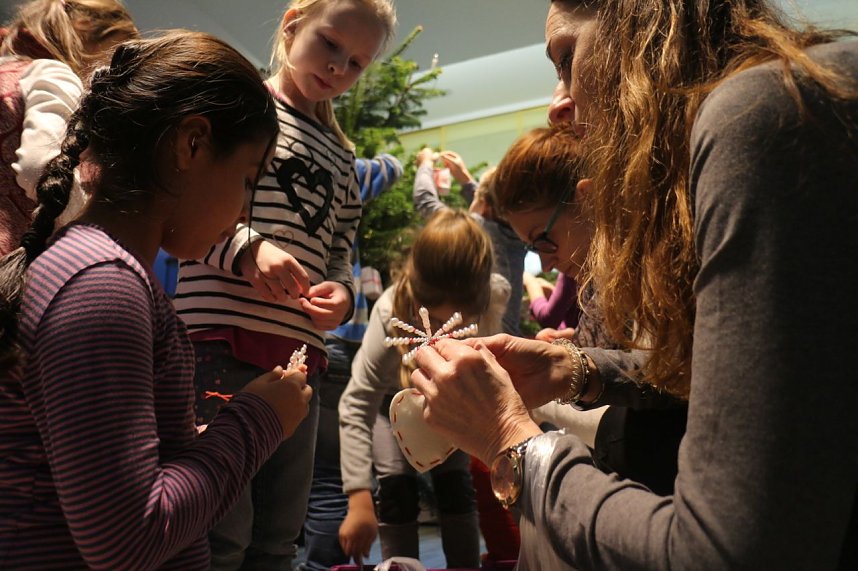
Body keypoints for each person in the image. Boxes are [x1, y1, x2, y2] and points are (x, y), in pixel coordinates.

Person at [411, 0, 858, 569]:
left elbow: (722, 553)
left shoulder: (760, 117)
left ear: (646, 17)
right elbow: (750, 373)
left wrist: (511, 443)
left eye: (567, 58)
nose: (558, 106)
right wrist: (576, 370)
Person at [0, 31, 313, 570]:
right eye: (246, 179)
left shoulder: (90, 272)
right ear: (191, 144)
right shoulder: (102, 287)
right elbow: (129, 541)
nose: (243, 212)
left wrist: (187, 442)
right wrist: (259, 419)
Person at [171, 1, 397, 568]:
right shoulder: (241, 109)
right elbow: (186, 209)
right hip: (217, 344)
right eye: (329, 44)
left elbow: (341, 251)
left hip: (300, 360)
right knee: (221, 526)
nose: (338, 68)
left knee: (279, 532)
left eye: (356, 62)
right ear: (294, 23)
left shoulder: (343, 157)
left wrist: (344, 295)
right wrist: (248, 248)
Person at [338, 209, 510, 567]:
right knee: (396, 490)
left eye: (456, 324)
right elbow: (357, 402)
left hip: (453, 399)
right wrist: (358, 497)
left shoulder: (493, 297)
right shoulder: (389, 313)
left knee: (456, 486)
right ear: (416, 302)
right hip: (393, 403)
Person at [299, 152, 403, 571]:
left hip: (291, 337)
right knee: (327, 475)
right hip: (342, 338)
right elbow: (392, 167)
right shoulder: (345, 172)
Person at [0, 0, 137, 256]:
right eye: (115, 51)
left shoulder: (7, 66)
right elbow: (40, 167)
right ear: (84, 27)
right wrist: (97, 225)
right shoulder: (53, 72)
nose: (115, 70)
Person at [412, 147, 526, 336]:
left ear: (484, 205)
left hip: (477, 340)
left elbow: (425, 201)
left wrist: (425, 164)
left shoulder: (472, 231)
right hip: (509, 339)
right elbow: (491, 203)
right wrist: (466, 179)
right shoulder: (519, 235)